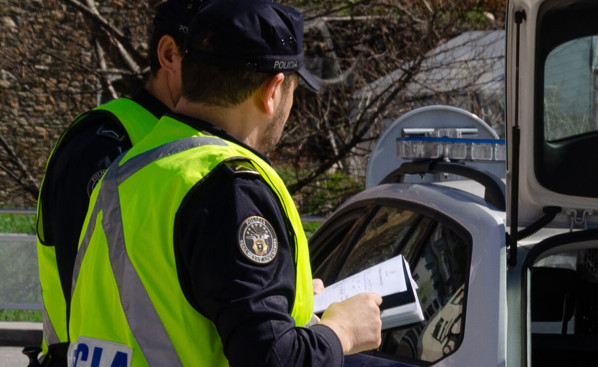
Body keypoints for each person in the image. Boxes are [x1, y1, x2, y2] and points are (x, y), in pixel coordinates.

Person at [67, 0, 383, 366]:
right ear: (273, 90)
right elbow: (272, 359)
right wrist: (342, 331)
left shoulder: (127, 170)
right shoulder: (229, 188)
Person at [33, 1, 211, 365]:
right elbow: (95, 291)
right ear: (169, 55)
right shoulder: (102, 144)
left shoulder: (200, 147)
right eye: (217, 59)